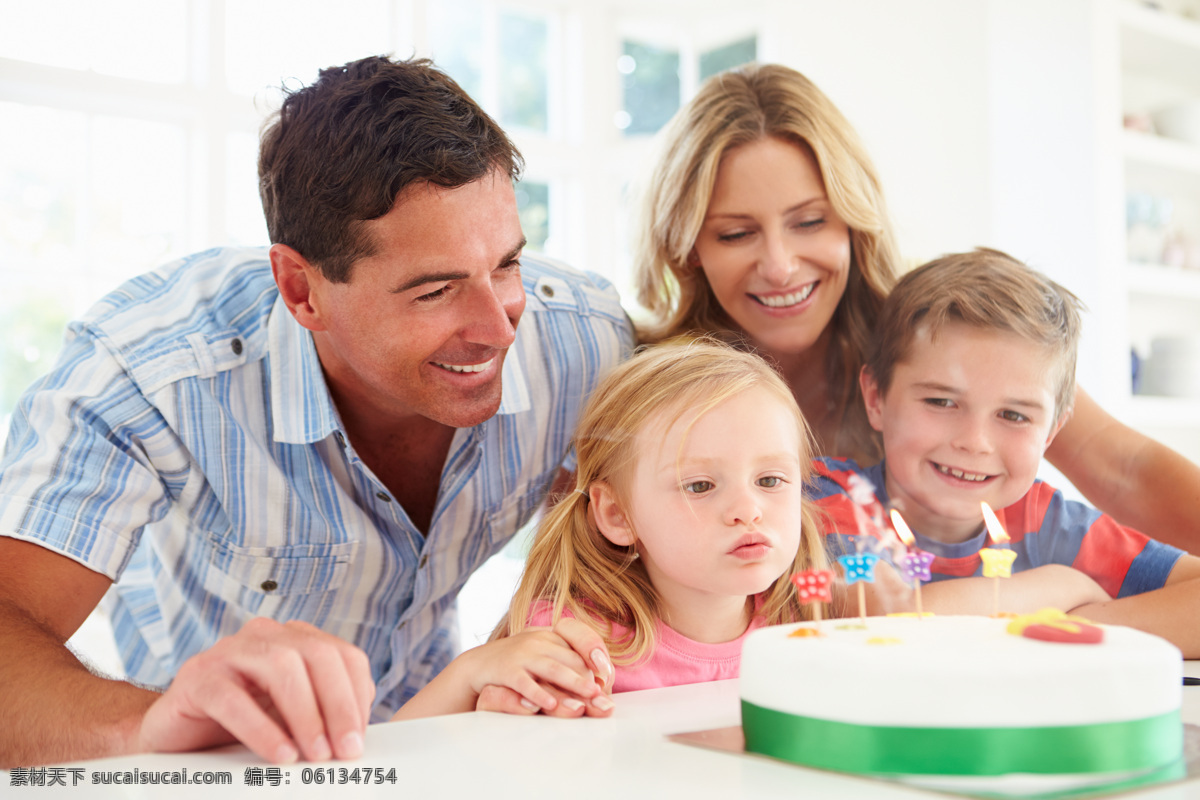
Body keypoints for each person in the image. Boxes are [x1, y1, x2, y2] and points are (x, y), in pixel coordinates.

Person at [0, 55, 633, 767]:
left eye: (509, 266)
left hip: (430, 742)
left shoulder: (586, 342)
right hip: (216, 760)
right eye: (434, 291)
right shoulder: (150, 372)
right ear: (301, 290)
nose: (498, 327)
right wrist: (148, 728)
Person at [633, 62, 1200, 552]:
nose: (780, 265)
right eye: (736, 234)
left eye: (811, 222)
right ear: (687, 249)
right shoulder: (649, 384)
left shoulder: (935, 340)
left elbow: (1123, 468)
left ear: (855, 223)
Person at [811, 249, 1200, 654]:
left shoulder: (1052, 526)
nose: (974, 441)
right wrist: (1057, 587)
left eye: (1013, 415)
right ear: (876, 398)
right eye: (941, 402)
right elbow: (887, 622)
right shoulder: (827, 503)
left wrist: (1071, 624)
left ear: (1052, 432)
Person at [486, 339, 829, 692]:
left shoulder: (808, 627)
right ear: (618, 514)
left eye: (769, 480)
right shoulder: (572, 649)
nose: (748, 511)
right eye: (700, 486)